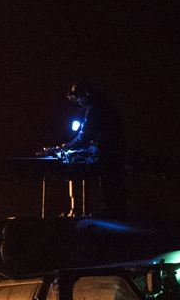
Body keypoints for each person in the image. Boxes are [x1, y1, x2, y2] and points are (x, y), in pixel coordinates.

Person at [39, 81, 128, 217]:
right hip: (113, 147)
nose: (78, 102)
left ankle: (114, 211)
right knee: (112, 180)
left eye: (79, 98)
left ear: (86, 94)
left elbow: (85, 135)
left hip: (110, 149)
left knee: (110, 180)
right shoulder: (101, 103)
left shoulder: (96, 108)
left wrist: (67, 146)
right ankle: (116, 209)